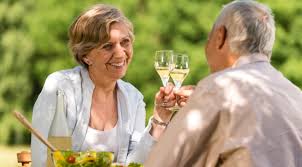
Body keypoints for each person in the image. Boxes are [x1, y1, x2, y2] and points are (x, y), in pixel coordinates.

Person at [145, 0, 302, 166]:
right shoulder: (295, 94)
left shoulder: (217, 90)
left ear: (220, 37)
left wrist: (205, 98)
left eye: (208, 38)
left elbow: (160, 163)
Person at [31, 4, 176, 166]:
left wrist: (159, 118)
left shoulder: (133, 98)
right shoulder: (60, 88)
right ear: (86, 55)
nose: (120, 53)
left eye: (125, 42)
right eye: (108, 46)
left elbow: (134, 164)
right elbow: (40, 156)